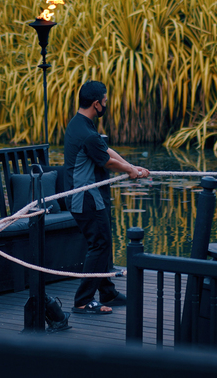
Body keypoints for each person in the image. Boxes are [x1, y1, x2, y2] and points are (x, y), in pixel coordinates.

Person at [63, 80, 149, 314]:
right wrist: (130, 170)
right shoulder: (86, 133)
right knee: (99, 245)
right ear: (96, 104)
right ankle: (83, 300)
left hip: (88, 197)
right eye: (105, 101)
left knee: (103, 243)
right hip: (86, 198)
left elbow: (105, 150)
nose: (106, 104)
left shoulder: (79, 124)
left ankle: (107, 292)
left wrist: (131, 166)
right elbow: (107, 161)